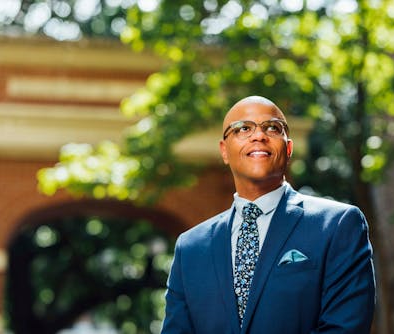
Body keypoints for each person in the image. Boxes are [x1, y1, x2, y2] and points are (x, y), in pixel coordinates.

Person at [161, 96, 376, 334]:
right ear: (224, 150)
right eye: (243, 128)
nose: (258, 136)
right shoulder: (190, 248)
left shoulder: (338, 225)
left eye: (272, 128)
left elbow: (344, 328)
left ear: (289, 148)